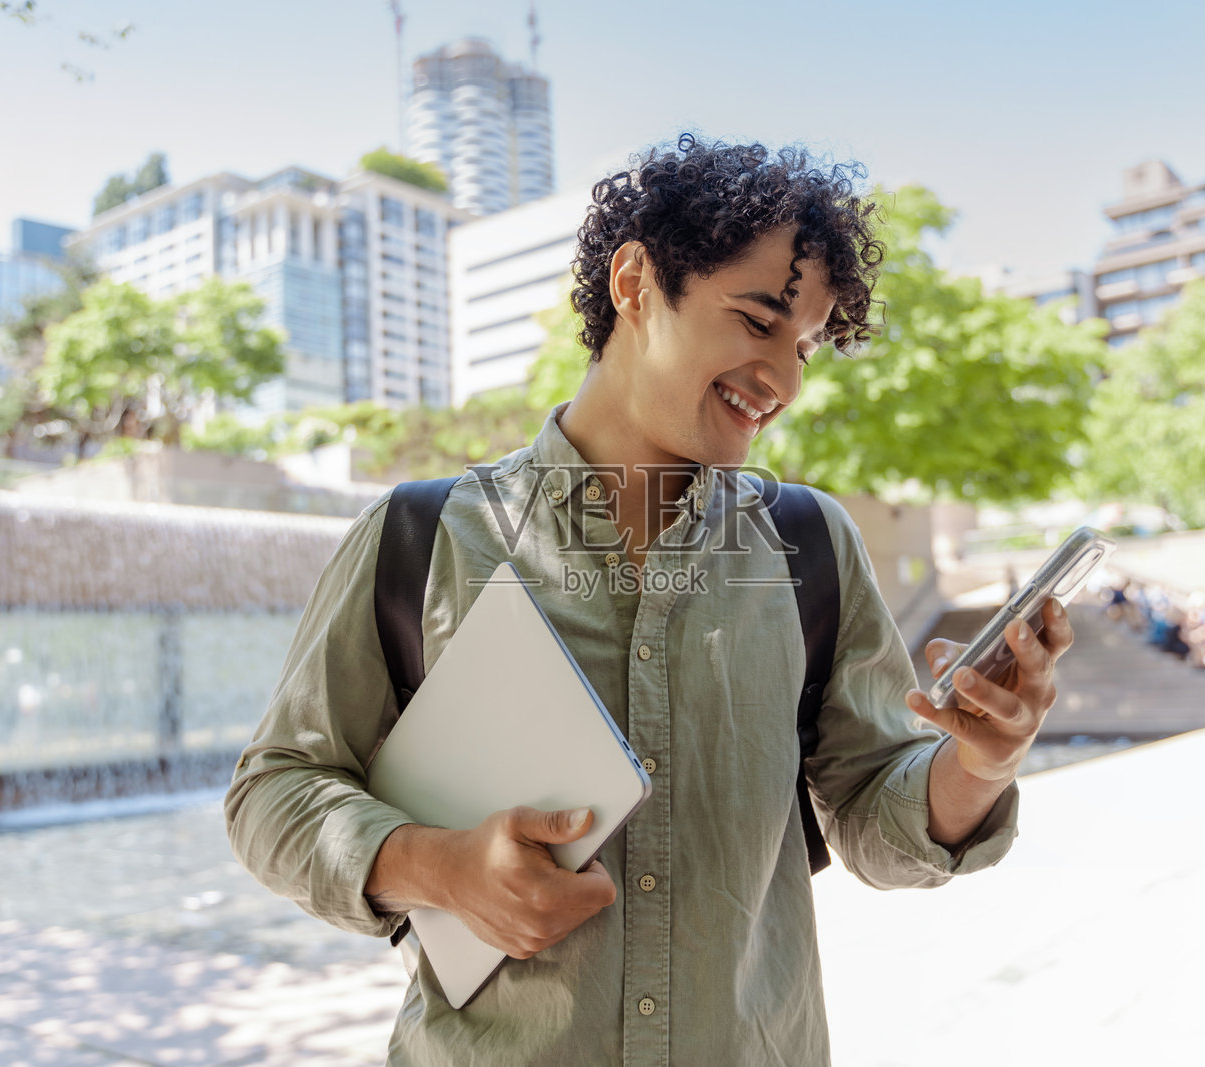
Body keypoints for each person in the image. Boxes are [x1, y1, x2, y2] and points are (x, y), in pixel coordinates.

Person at [224, 135, 1076, 1065]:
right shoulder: (419, 538)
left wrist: (979, 765)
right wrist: (438, 867)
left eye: (803, 347)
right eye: (756, 321)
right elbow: (273, 792)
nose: (787, 381)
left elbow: (874, 820)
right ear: (634, 282)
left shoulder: (811, 547)